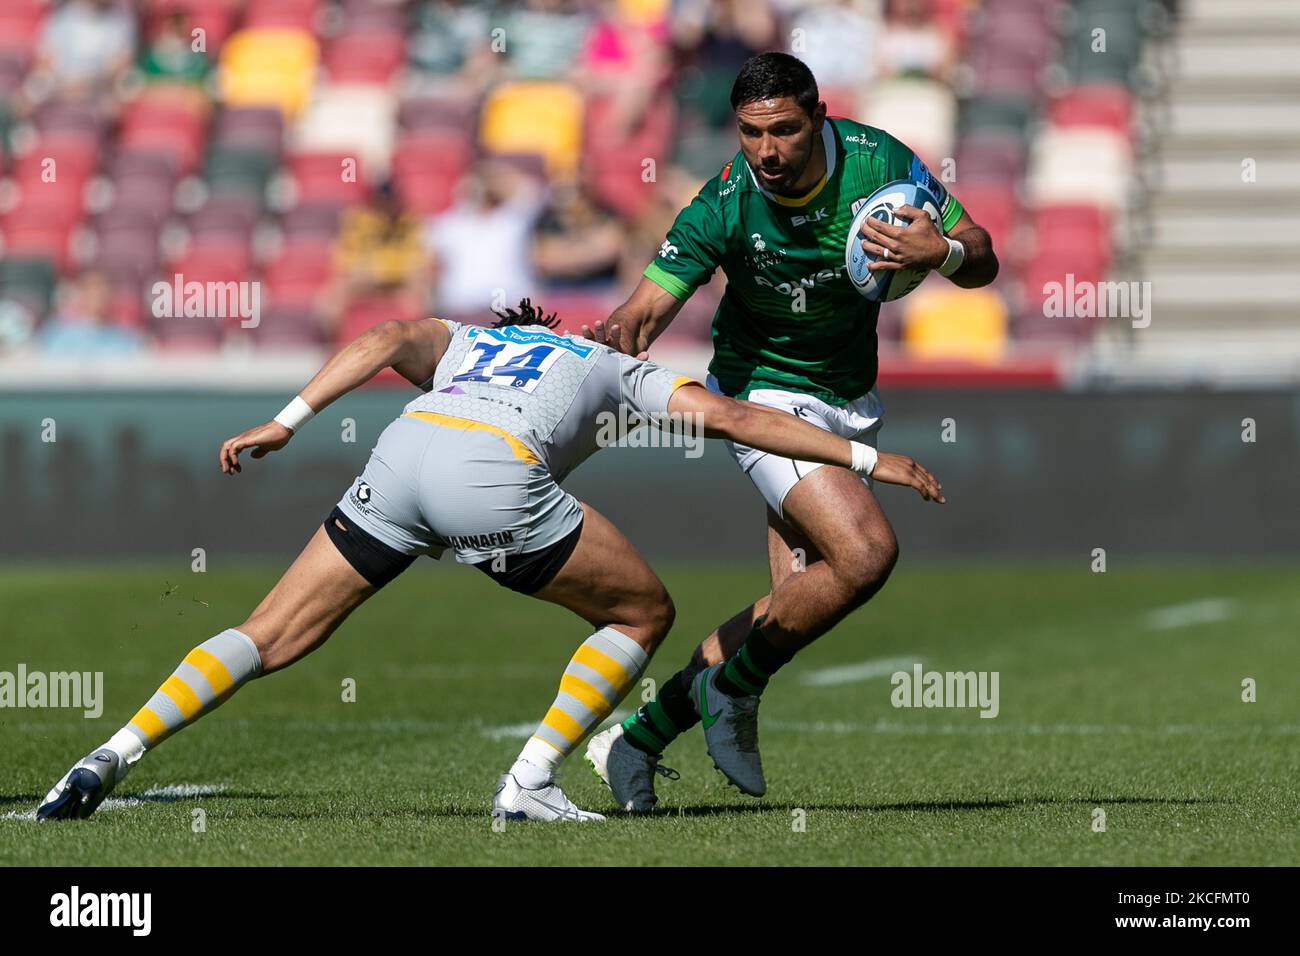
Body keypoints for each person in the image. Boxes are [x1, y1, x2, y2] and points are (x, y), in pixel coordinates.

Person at [37, 299, 944, 823]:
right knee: (641, 614)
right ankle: (533, 782)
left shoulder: (472, 339)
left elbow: (388, 335)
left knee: (267, 633)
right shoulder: (608, 362)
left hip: (403, 452)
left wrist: (286, 420)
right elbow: (741, 418)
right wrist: (868, 460)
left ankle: (105, 758)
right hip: (491, 475)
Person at [581, 51, 997, 811]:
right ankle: (731, 695)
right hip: (764, 398)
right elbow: (645, 308)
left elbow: (984, 258)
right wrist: (613, 336)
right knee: (866, 553)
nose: (766, 151)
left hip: (850, 394)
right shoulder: (725, 202)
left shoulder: (881, 166)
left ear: (818, 119)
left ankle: (640, 737)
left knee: (791, 606)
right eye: (749, 133)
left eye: (783, 131)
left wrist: (946, 252)